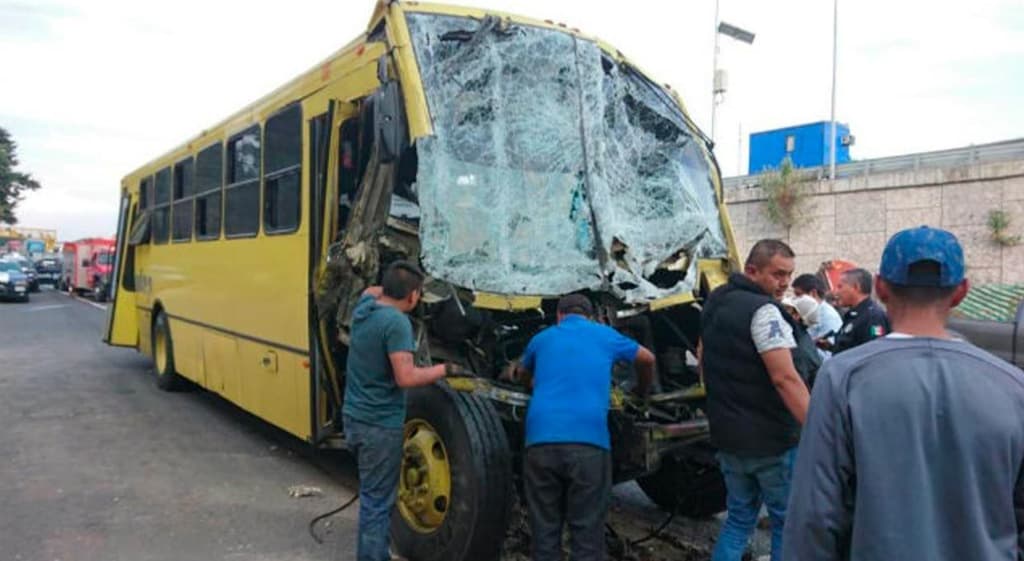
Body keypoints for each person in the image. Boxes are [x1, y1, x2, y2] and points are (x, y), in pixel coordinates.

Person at [783, 226, 1024, 561]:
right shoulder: (1013, 386)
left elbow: (814, 515)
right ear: (961, 292)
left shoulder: (842, 379)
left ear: (881, 287)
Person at [515, 294, 656, 561]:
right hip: (589, 445)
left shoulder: (542, 339)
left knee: (544, 533)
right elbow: (647, 359)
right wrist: (642, 391)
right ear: (590, 317)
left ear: (559, 315)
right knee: (587, 535)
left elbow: (522, 374)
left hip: (540, 444)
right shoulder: (604, 335)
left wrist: (535, 383)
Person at [700, 239, 812, 561]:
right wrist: (819, 427)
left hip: (729, 439)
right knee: (786, 525)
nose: (785, 283)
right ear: (752, 270)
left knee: (738, 520)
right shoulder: (765, 313)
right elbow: (785, 378)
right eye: (778, 274)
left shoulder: (716, 302)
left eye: (789, 274)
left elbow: (702, 355)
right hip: (772, 442)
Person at [343, 261, 447, 561]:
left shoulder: (363, 309)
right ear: (413, 296)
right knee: (377, 502)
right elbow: (406, 377)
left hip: (354, 418)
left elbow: (370, 290)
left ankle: (375, 553)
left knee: (371, 496)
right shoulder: (397, 323)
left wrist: (394, 285)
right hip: (379, 425)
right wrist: (444, 369)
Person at [827, 268, 890, 354]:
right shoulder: (853, 315)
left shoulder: (873, 317)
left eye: (840, 287)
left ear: (856, 287)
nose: (836, 292)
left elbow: (874, 352)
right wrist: (831, 347)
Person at [791, 274, 843, 358]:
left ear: (813, 293)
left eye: (798, 295)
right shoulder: (809, 312)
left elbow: (828, 356)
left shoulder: (828, 317)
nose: (795, 299)